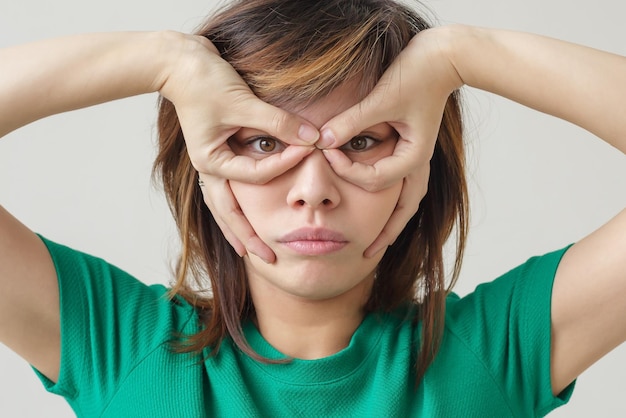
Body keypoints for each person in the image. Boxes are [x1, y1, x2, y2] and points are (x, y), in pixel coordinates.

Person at [0, 0, 624, 416]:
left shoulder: (493, 351)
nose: (313, 190)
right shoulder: (117, 344)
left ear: (419, 166)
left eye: (360, 141)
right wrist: (164, 60)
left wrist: (460, 54)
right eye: (264, 142)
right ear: (206, 163)